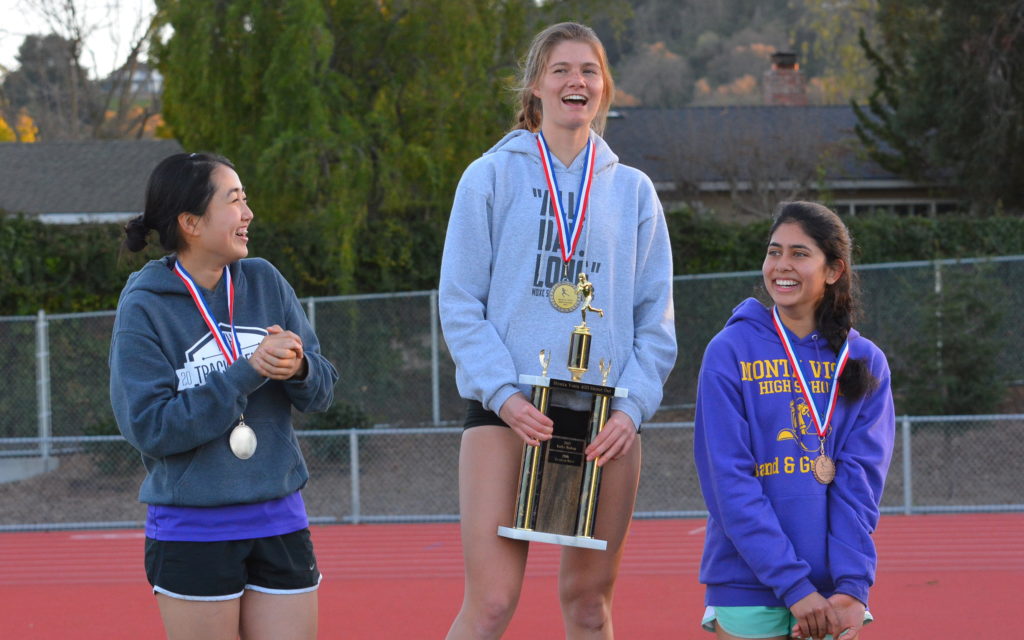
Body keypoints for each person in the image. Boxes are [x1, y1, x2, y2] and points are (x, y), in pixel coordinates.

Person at [438, 22, 676, 639]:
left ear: (604, 87)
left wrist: (631, 409)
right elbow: (461, 304)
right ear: (536, 86)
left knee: (589, 606)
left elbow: (657, 320)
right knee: (490, 603)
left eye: (589, 70)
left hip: (606, 422)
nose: (577, 81)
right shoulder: (489, 177)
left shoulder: (634, 191)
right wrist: (505, 396)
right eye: (562, 69)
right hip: (506, 413)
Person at [109, 152, 338, 640]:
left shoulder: (264, 281)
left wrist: (298, 368)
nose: (248, 213)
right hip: (194, 528)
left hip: (279, 517)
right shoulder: (146, 306)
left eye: (246, 199)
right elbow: (150, 427)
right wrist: (245, 373)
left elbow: (322, 392)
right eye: (234, 201)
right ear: (191, 222)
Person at [693, 201, 895, 640]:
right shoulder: (729, 351)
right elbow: (729, 482)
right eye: (774, 251)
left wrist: (852, 587)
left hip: (832, 591)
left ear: (833, 269)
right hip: (747, 580)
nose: (781, 266)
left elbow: (858, 486)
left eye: (800, 254)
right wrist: (792, 585)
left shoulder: (863, 361)